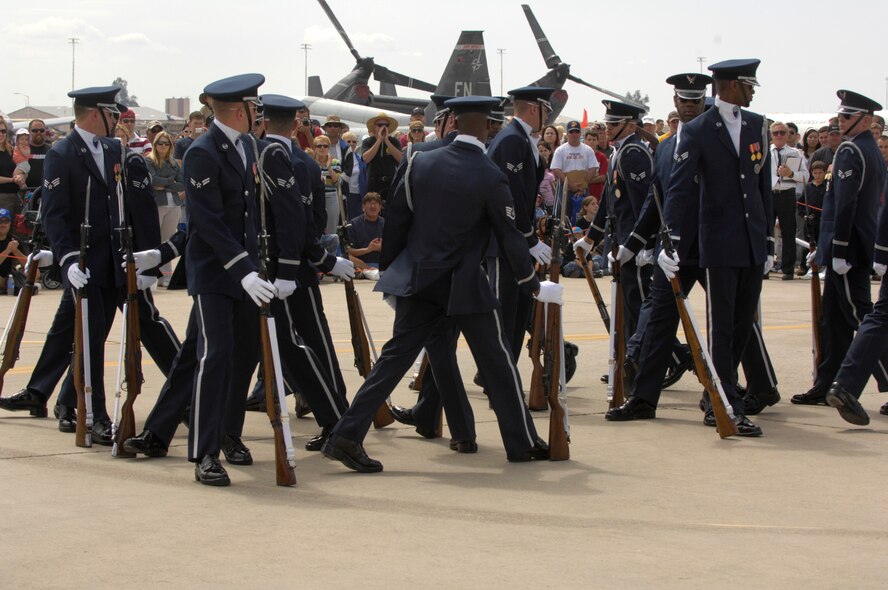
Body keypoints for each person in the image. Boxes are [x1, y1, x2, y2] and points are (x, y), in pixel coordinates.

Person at [321, 96, 563, 472]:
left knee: (393, 362)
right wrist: (531, 283)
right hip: (465, 283)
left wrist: (394, 272)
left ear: (454, 121)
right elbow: (510, 234)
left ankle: (346, 435)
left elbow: (397, 217)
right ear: (486, 127)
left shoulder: (421, 159)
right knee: (498, 362)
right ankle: (522, 442)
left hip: (419, 278)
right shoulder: (489, 174)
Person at [637, 60, 773, 436]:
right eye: (748, 84)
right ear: (730, 85)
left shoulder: (756, 124)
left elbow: (762, 185)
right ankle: (723, 405)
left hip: (748, 242)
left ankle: (731, 393)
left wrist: (768, 240)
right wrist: (670, 242)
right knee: (720, 328)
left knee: (743, 324)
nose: (753, 90)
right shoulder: (696, 131)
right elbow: (676, 191)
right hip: (716, 243)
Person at [793, 90, 888, 409]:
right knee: (831, 321)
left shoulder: (850, 150)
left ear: (865, 120)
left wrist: (837, 249)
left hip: (848, 250)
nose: (840, 123)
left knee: (863, 318)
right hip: (846, 247)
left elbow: (845, 205)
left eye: (846, 118)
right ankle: (825, 383)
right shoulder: (869, 150)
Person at [485, 86, 555, 365]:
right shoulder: (513, 140)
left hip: (514, 242)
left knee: (517, 316)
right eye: (546, 111)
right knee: (505, 318)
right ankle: (499, 382)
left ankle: (504, 378)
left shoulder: (522, 139)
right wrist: (529, 238)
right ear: (535, 108)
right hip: (506, 244)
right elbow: (511, 197)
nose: (548, 117)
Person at [144, 130, 184, 288]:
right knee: (154, 238)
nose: (163, 146)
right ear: (155, 144)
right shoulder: (149, 161)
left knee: (167, 240)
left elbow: (182, 183)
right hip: (157, 203)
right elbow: (152, 180)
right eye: (160, 143)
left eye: (166, 143)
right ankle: (152, 273)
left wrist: (164, 185)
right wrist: (171, 182)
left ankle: (166, 274)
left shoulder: (173, 163)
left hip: (173, 204)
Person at [769, 121, 808, 280]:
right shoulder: (766, 152)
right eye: (776, 133)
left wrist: (791, 173)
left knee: (788, 232)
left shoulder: (795, 153)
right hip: (769, 193)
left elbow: (806, 176)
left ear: (787, 135)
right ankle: (766, 266)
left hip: (786, 193)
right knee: (766, 232)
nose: (779, 135)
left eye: (782, 133)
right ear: (771, 135)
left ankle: (788, 269)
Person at [550, 120, 599, 225]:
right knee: (563, 217)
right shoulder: (560, 150)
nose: (574, 134)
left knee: (584, 216)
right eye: (571, 132)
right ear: (567, 133)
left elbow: (593, 169)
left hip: (583, 189)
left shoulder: (588, 150)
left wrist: (583, 186)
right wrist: (570, 185)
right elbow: (556, 169)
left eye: (576, 132)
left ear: (580, 133)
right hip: (565, 188)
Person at [361, 112, 402, 205]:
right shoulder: (368, 142)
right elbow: (366, 159)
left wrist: (387, 141)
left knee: (390, 211)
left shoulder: (394, 141)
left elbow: (401, 159)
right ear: (375, 127)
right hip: (373, 183)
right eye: (380, 125)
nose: (383, 127)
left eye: (386, 125)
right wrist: (379, 140)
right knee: (372, 209)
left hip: (390, 183)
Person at [346, 192, 384, 280]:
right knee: (346, 257)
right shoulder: (353, 224)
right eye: (370, 203)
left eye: (376, 203)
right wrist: (368, 249)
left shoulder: (386, 224)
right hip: (361, 264)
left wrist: (381, 248)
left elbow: (394, 249)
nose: (373, 206)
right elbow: (349, 251)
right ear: (363, 206)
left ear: (380, 207)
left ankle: (370, 273)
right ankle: (367, 270)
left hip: (381, 262)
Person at [312, 135, 342, 236]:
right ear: (314, 148)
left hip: (331, 197)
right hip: (315, 198)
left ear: (329, 148)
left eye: (325, 146)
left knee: (331, 229)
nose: (322, 148)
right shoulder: (311, 162)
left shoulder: (335, 162)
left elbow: (337, 181)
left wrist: (329, 168)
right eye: (319, 146)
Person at [0, 120, 19, 213]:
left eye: (3, 131)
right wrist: (12, 180)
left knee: (16, 227)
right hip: (2, 197)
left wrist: (21, 176)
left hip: (16, 196)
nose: (1, 134)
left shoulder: (11, 150)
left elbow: (19, 167)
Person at [536, 140, 557, 215]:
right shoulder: (536, 168)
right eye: (541, 151)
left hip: (550, 202)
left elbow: (555, 189)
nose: (543, 152)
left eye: (545, 150)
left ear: (550, 152)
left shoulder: (554, 167)